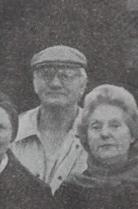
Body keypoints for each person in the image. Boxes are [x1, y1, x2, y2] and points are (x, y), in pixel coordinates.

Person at [12, 45, 88, 193]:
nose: (55, 84)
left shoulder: (97, 132)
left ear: (83, 85)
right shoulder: (14, 130)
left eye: (66, 76)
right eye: (46, 75)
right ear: (34, 83)